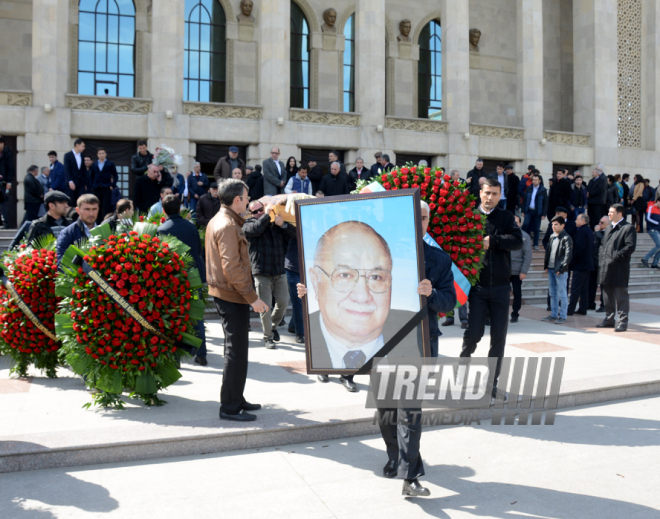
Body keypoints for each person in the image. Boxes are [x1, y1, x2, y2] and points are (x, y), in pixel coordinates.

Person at [376, 199, 455, 499]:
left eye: (422, 217)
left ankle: (410, 476)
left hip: (417, 344)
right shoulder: (381, 254)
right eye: (412, 217)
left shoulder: (439, 259)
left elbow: (450, 301)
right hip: (382, 342)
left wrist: (432, 293)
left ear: (427, 222)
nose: (417, 222)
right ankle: (394, 454)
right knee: (386, 407)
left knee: (410, 410)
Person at [206, 179, 268, 421]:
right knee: (235, 352)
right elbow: (232, 269)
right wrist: (253, 298)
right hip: (232, 295)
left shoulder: (222, 219)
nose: (249, 199)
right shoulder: (228, 224)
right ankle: (229, 407)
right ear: (237, 200)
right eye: (246, 196)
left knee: (237, 350)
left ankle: (236, 398)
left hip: (228, 293)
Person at [460, 178, 523, 399]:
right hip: (477, 287)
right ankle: (464, 359)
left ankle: (491, 383)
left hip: (501, 288)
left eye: (495, 194)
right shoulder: (470, 215)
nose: (490, 198)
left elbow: (517, 241)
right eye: (487, 193)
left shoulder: (505, 217)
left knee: (499, 337)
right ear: (480, 192)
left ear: (500, 195)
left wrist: (493, 240)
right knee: (474, 332)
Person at [158, 194, 208, 366]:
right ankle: (201, 354)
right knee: (196, 315)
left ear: (163, 210)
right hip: (194, 277)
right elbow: (198, 251)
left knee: (175, 317)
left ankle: (176, 357)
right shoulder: (191, 227)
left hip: (175, 280)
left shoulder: (162, 230)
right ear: (180, 208)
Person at [243, 199, 296, 349]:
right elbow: (256, 230)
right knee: (265, 306)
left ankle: (272, 327)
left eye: (261, 209)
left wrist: (283, 225)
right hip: (261, 271)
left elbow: (294, 234)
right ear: (250, 214)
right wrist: (266, 215)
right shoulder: (248, 224)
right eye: (256, 211)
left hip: (279, 270)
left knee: (283, 303)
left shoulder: (275, 224)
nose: (259, 212)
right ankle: (268, 338)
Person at [596, 204, 637, 332]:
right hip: (605, 267)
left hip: (619, 268)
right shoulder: (609, 228)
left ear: (620, 214)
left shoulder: (628, 228)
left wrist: (615, 257)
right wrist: (602, 258)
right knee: (607, 296)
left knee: (621, 297)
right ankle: (609, 319)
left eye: (611, 212)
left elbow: (629, 247)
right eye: (609, 212)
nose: (609, 214)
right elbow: (603, 245)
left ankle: (622, 322)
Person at [542, 216, 573, 324]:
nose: (553, 227)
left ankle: (563, 316)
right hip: (551, 269)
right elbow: (548, 252)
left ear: (562, 225)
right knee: (552, 293)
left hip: (560, 270)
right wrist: (546, 266)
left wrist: (562, 268)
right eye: (552, 225)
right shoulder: (551, 237)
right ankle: (554, 314)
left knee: (562, 294)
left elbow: (567, 256)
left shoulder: (566, 238)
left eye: (556, 224)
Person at [56, 194, 100, 262]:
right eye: (87, 209)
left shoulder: (104, 231)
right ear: (78, 210)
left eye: (94, 209)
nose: (91, 213)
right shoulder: (68, 233)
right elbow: (62, 263)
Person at [566, 213, 594, 315]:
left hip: (581, 264)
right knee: (584, 288)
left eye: (577, 220)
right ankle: (583, 308)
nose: (575, 221)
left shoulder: (581, 232)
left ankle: (570, 309)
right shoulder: (589, 230)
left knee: (576, 288)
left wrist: (572, 262)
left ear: (583, 221)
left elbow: (578, 249)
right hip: (587, 264)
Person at [510, 214, 531, 323]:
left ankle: (515, 314)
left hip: (517, 270)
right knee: (502, 292)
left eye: (516, 222)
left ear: (520, 223)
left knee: (517, 293)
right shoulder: (506, 234)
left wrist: (524, 271)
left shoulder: (525, 236)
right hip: (504, 269)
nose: (514, 224)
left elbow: (527, 255)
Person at [285, 229, 304, 344]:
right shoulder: (294, 226)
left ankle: (293, 325)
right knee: (298, 301)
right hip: (293, 269)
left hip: (307, 267)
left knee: (302, 302)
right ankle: (300, 333)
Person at [90, 147, 117, 224]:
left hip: (106, 187)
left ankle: (105, 222)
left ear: (105, 154)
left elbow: (115, 175)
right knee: (96, 205)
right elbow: (91, 176)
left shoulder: (110, 164)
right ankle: (96, 222)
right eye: (99, 153)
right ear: (97, 155)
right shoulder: (94, 164)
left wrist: (112, 185)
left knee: (106, 207)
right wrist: (92, 186)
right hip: (96, 188)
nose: (101, 155)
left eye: (103, 153)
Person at [521, 172, 547, 250]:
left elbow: (545, 203)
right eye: (533, 180)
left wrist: (544, 214)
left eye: (536, 180)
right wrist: (523, 210)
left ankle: (535, 244)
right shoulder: (529, 188)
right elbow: (524, 200)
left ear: (539, 181)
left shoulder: (543, 190)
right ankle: (523, 241)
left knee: (536, 228)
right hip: (529, 210)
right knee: (525, 225)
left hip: (538, 212)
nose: (534, 181)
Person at [589, 216, 609, 312]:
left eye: (602, 222)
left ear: (608, 224)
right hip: (594, 261)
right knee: (591, 284)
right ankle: (590, 303)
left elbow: (605, 243)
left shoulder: (609, 233)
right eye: (599, 222)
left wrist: (597, 232)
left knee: (603, 286)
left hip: (603, 263)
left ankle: (604, 305)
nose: (599, 224)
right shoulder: (597, 233)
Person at [63, 138, 87, 204]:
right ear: (77, 145)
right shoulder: (68, 155)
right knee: (71, 201)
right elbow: (66, 169)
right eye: (82, 146)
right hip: (72, 182)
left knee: (81, 201)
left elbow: (83, 170)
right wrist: (70, 181)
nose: (84, 148)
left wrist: (85, 183)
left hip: (80, 183)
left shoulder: (82, 156)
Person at [586, 165, 608, 230]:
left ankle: (596, 229)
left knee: (597, 217)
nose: (592, 173)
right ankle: (591, 228)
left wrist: (590, 194)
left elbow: (599, 189)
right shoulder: (591, 181)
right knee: (591, 216)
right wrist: (587, 193)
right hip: (590, 202)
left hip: (598, 202)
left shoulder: (603, 179)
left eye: (594, 171)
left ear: (598, 173)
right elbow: (588, 188)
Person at [642, 199, 660, 268]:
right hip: (652, 229)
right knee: (659, 245)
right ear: (658, 201)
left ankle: (654, 263)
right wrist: (657, 223)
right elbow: (647, 218)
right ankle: (645, 258)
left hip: (658, 229)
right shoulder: (651, 207)